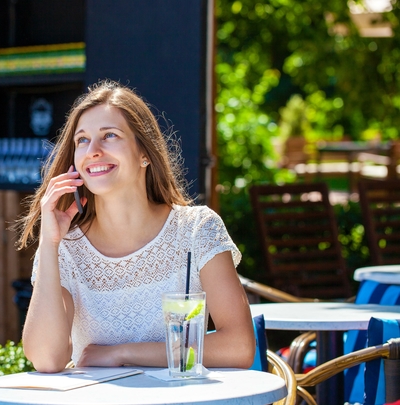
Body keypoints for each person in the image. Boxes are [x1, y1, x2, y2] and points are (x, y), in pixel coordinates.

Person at [15, 80, 256, 373]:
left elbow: (239, 347)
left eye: (110, 135)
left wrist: (122, 353)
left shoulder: (197, 230)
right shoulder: (64, 247)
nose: (93, 150)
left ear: (145, 153)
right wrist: (50, 245)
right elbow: (46, 359)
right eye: (82, 140)